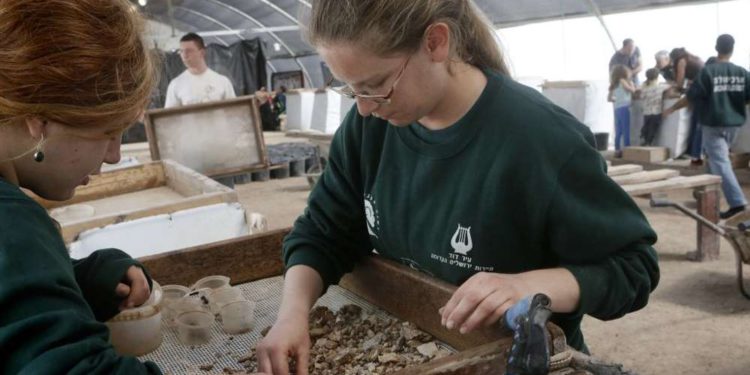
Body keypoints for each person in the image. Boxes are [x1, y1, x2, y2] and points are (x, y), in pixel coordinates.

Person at [256, 1, 659, 374]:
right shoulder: (369, 126)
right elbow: (323, 231)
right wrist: (292, 314)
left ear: (435, 42)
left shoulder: (540, 141)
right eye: (350, 88)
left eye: (376, 84)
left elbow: (633, 268)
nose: (363, 106)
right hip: (427, 350)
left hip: (518, 359)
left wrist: (527, 286)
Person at [0, 0, 163, 373]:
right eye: (108, 133)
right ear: (39, 121)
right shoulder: (10, 222)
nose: (115, 156)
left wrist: (83, 279)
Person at [683, 34, 750, 219]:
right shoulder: (743, 72)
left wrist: (672, 108)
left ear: (716, 47)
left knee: (720, 161)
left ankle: (738, 203)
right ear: (732, 49)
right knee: (715, 159)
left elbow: (692, 96)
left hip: (713, 123)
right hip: (734, 125)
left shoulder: (708, 72)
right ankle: (707, 197)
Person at [164, 33, 236, 108]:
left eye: (189, 51)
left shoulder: (222, 82)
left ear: (202, 52)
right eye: (181, 51)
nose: (184, 55)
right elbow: (170, 118)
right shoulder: (175, 85)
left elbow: (234, 112)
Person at [668, 47, 705, 165]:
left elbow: (679, 81)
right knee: (697, 123)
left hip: (699, 92)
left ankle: (692, 152)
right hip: (703, 91)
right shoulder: (692, 58)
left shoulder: (681, 61)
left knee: (695, 123)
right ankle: (695, 152)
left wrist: (673, 88)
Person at [608, 65, 637, 154]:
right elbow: (631, 90)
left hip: (617, 108)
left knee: (619, 131)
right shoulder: (622, 81)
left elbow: (609, 99)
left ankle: (617, 149)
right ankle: (627, 149)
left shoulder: (613, 85)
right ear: (624, 73)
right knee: (626, 130)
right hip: (624, 107)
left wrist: (617, 99)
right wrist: (632, 85)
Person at [639, 68, 669, 146]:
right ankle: (649, 142)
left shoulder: (644, 87)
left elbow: (641, 96)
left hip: (646, 111)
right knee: (653, 127)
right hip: (656, 111)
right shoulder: (660, 86)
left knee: (647, 125)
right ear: (657, 76)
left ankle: (644, 139)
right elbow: (670, 86)